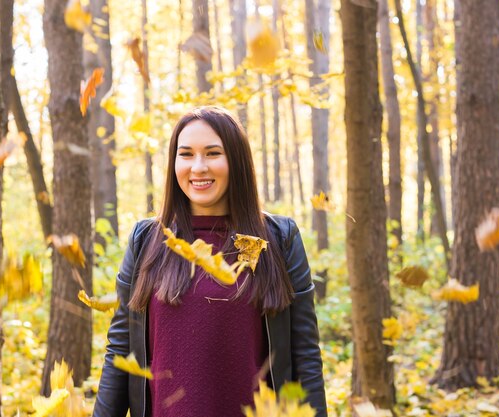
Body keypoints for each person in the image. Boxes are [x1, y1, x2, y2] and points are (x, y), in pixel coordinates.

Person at [93, 106, 327, 417]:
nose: (198, 167)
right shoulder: (147, 240)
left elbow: (305, 355)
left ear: (236, 161)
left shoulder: (277, 239)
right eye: (186, 154)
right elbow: (120, 352)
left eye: (213, 153)